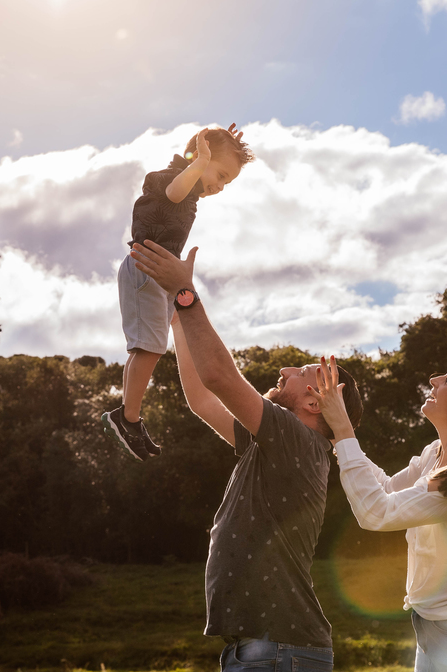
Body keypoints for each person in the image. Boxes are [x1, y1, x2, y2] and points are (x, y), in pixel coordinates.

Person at [130, 239, 364, 671]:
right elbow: (202, 398)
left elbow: (218, 375)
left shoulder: (297, 440)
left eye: (303, 372)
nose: (286, 370)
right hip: (268, 650)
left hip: (278, 651)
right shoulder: (276, 446)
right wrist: (174, 310)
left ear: (316, 404)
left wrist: (186, 295)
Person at [311, 355, 447, 672]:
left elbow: (375, 512)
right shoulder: (435, 454)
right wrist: (339, 437)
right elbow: (388, 490)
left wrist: (344, 430)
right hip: (437, 634)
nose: (433, 380)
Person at [102, 124, 254, 460]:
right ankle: (128, 418)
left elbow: (186, 191)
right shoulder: (169, 178)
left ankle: (128, 415)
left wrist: (221, 152)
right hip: (146, 269)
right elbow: (174, 192)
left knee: (146, 347)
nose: (219, 186)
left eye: (226, 182)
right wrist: (202, 162)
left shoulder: (191, 192)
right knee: (149, 349)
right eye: (221, 175)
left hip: (155, 275)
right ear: (198, 158)